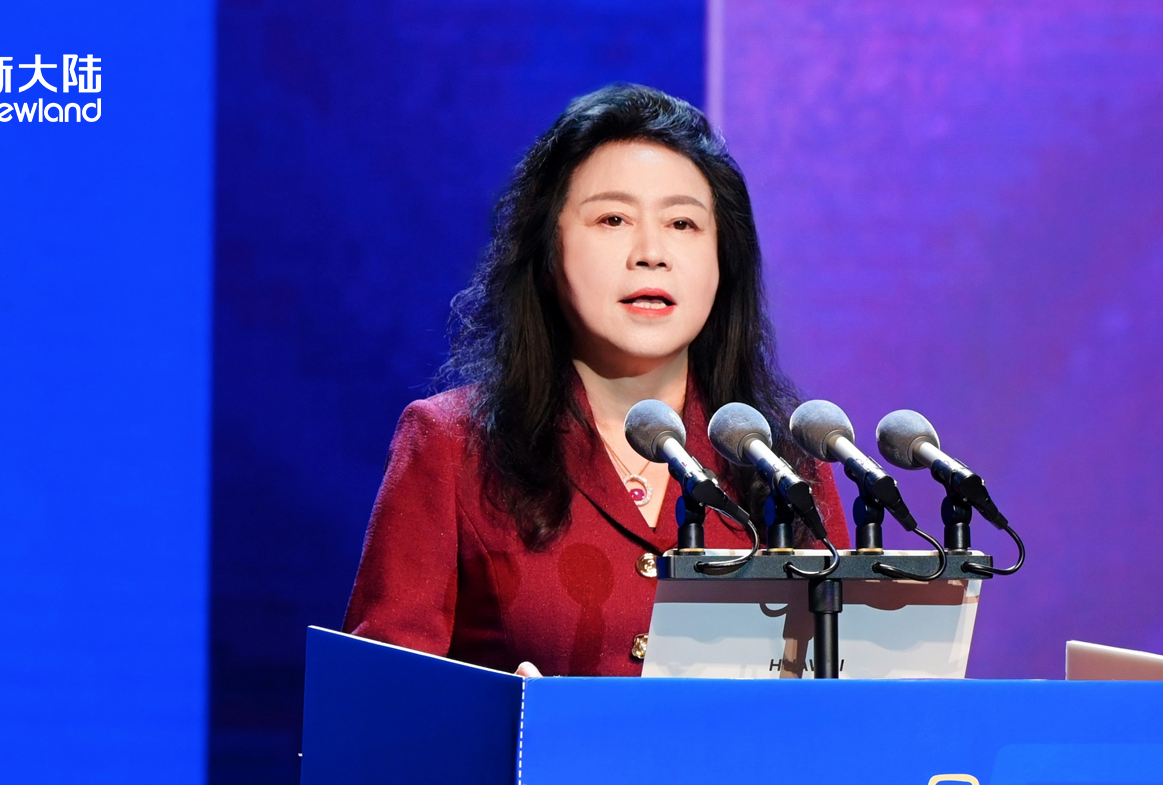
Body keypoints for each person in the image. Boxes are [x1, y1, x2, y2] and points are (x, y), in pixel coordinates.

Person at [343, 84, 848, 676]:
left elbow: (846, 697)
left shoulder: (780, 460)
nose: (651, 252)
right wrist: (502, 715)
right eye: (613, 219)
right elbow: (378, 705)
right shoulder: (452, 447)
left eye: (682, 223)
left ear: (723, 261)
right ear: (547, 252)